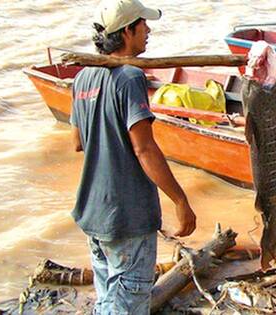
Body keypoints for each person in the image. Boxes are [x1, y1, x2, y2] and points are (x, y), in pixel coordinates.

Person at [69, 0, 197, 313]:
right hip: (127, 217)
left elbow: (77, 142)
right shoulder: (129, 78)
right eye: (143, 25)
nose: (148, 31)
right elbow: (144, 148)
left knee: (108, 299)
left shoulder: (83, 78)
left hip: (94, 211)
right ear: (128, 31)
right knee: (127, 306)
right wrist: (181, 202)